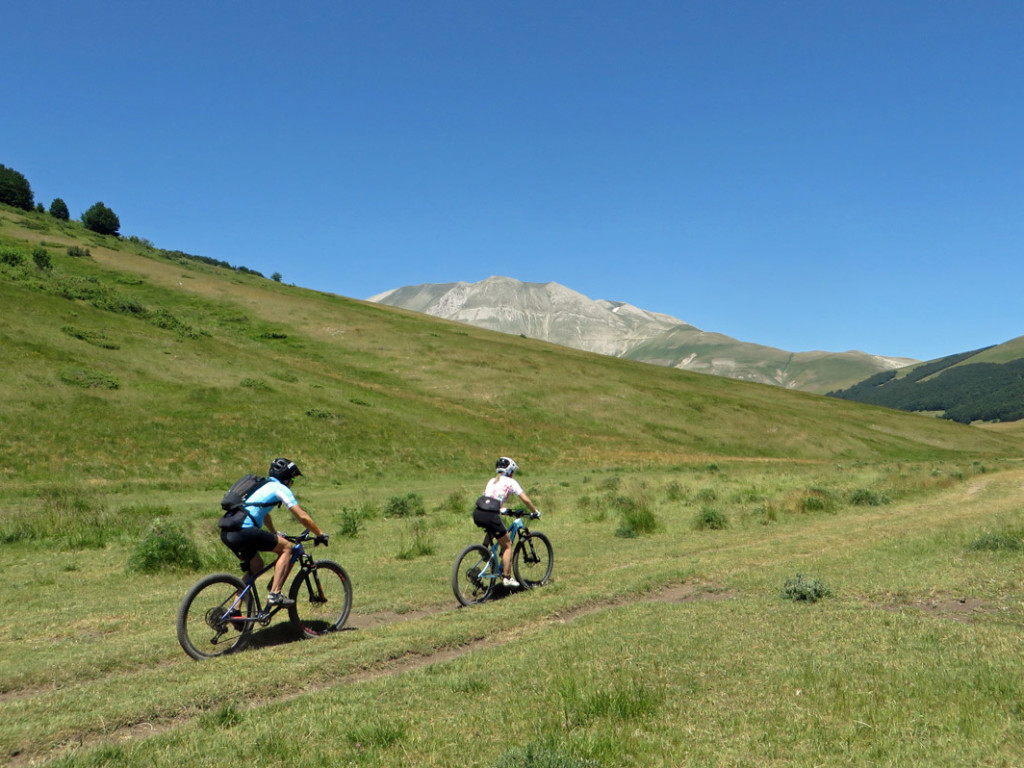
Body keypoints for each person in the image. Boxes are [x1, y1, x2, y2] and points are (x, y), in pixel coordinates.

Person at [220, 457, 327, 606]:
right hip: (244, 531)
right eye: (292, 480)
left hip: (227, 531)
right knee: (286, 548)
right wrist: (319, 533)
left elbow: (264, 513)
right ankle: (275, 594)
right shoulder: (281, 489)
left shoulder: (260, 485)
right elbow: (302, 516)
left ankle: (234, 610)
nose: (292, 484)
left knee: (256, 566)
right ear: (287, 478)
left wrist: (273, 532)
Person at [473, 456, 541, 588]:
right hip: (491, 514)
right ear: (510, 471)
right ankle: (507, 577)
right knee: (508, 545)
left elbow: (490, 499)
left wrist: (502, 510)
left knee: (494, 530)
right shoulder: (511, 482)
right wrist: (535, 511)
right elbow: (525, 500)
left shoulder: (492, 481)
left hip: (478, 513)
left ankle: (484, 549)